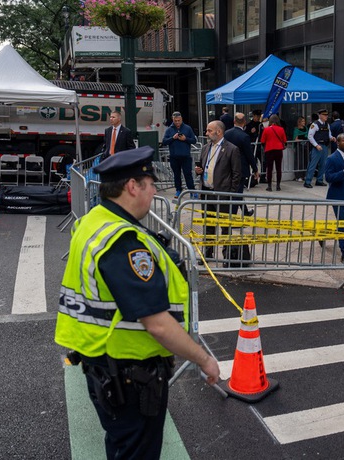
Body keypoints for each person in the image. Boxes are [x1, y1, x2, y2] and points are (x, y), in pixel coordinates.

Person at [54, 147, 220, 460]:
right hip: (130, 374)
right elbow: (156, 322)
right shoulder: (123, 241)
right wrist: (203, 358)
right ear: (133, 186)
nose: (155, 191)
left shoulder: (94, 221)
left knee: (121, 445)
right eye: (150, 183)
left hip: (104, 364)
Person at [194, 121, 243, 259]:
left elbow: (237, 174)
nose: (207, 133)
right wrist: (198, 171)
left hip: (223, 194)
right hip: (207, 192)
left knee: (225, 226)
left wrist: (230, 193)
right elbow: (204, 167)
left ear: (219, 132)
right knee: (208, 225)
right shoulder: (205, 148)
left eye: (209, 131)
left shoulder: (231, 149)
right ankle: (208, 254)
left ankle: (226, 255)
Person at [324, 133, 344, 262]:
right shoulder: (332, 158)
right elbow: (328, 177)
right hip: (338, 196)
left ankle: (324, 235)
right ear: (338, 143)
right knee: (342, 225)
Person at [223, 112, 258, 215]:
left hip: (228, 168)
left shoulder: (226, 134)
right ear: (244, 122)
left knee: (237, 192)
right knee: (237, 193)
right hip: (240, 169)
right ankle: (232, 218)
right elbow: (249, 155)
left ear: (234, 121)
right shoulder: (244, 136)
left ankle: (245, 211)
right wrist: (255, 169)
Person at [161, 111, 197, 198]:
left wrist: (185, 139)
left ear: (181, 119)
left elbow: (194, 140)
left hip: (186, 156)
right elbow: (164, 142)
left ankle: (192, 190)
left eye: (179, 120)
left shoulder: (187, 128)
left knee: (188, 174)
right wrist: (172, 138)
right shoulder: (169, 130)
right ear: (172, 120)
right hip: (174, 156)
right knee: (176, 174)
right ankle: (178, 190)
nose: (177, 122)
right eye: (175, 121)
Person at [304, 109, 333, 188]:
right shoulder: (315, 124)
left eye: (327, 115)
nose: (326, 116)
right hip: (317, 146)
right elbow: (310, 136)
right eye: (324, 115)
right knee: (312, 164)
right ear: (320, 115)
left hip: (324, 146)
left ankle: (319, 180)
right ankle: (307, 181)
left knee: (323, 164)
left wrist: (332, 138)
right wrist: (316, 145)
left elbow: (329, 135)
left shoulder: (327, 125)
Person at [260, 114, 287, 191]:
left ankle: (269, 186)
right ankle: (278, 185)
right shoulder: (281, 129)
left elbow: (262, 141)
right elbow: (284, 140)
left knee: (269, 168)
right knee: (278, 168)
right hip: (278, 150)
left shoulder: (266, 129)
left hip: (269, 150)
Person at [292, 116, 309, 181]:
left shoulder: (306, 128)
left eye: (304, 121)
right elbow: (295, 139)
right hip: (299, 147)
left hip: (305, 147)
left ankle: (304, 175)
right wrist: (301, 140)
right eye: (302, 121)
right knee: (299, 161)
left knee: (305, 161)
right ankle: (298, 176)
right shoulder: (296, 129)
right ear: (299, 122)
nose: (304, 122)